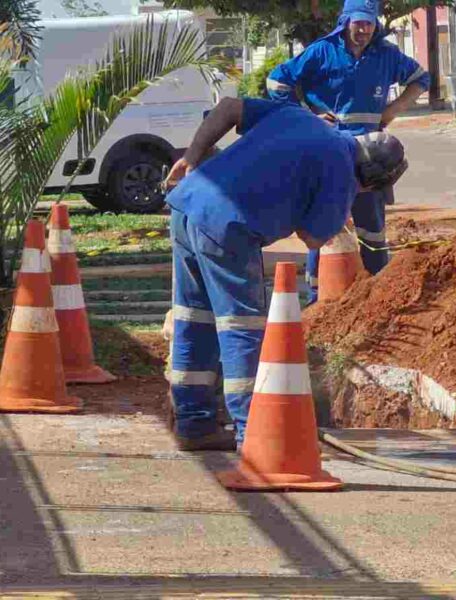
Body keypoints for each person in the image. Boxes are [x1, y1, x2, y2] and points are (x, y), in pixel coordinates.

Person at [163, 96, 408, 450]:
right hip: (227, 226)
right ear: (370, 177)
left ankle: (194, 425)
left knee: (193, 317)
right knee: (241, 326)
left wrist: (191, 157)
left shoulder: (301, 117)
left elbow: (229, 107)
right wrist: (335, 209)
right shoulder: (342, 172)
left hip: (187, 204)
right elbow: (313, 238)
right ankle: (254, 433)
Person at [267, 0, 430, 303]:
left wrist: (392, 110)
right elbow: (277, 82)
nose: (364, 30)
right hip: (328, 154)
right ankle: (319, 299)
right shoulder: (322, 51)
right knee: (324, 225)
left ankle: (378, 294)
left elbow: (421, 79)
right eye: (358, 23)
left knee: (372, 229)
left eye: (369, 23)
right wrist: (306, 117)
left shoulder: (386, 54)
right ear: (345, 22)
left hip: (371, 158)